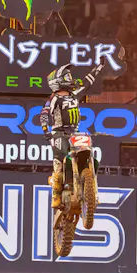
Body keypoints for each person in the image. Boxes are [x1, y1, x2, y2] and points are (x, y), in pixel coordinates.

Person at [40, 62, 106, 208]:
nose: (71, 79)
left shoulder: (74, 94)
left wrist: (98, 68)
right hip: (59, 132)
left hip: (74, 132)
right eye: (67, 77)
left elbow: (87, 83)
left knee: (88, 155)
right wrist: (46, 130)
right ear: (58, 81)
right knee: (59, 160)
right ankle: (56, 195)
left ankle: (92, 192)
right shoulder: (54, 98)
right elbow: (44, 113)